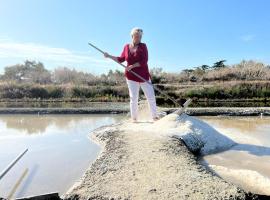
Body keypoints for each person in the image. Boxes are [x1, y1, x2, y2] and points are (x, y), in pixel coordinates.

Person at [104, 27, 159, 122]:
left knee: (150, 96)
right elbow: (120, 59)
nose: (138, 38)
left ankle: (154, 117)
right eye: (136, 36)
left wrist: (132, 66)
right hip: (131, 76)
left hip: (143, 76)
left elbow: (144, 61)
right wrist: (109, 56)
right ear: (132, 36)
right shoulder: (126, 47)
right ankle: (134, 119)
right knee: (133, 98)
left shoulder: (143, 46)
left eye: (140, 37)